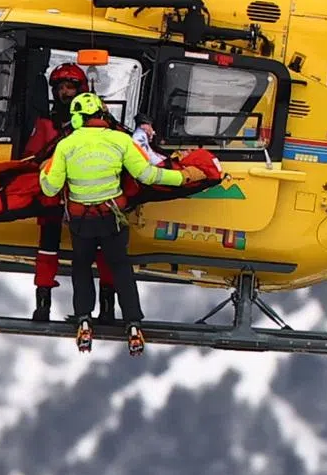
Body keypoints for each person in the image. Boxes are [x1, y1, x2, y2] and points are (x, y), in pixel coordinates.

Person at [38, 91, 207, 355]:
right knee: (120, 267)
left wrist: (45, 171)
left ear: (78, 118)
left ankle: (83, 318)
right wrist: (183, 178)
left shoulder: (66, 145)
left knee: (81, 266)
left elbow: (50, 189)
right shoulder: (120, 141)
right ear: (102, 115)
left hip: (81, 222)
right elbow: (148, 175)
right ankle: (133, 323)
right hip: (112, 218)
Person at [23, 63, 117, 323]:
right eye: (60, 88)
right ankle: (43, 304)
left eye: (70, 87)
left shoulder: (102, 123)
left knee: (100, 249)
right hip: (56, 196)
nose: (65, 92)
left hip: (87, 196)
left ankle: (107, 307)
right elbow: (33, 154)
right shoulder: (46, 123)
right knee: (48, 246)